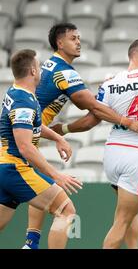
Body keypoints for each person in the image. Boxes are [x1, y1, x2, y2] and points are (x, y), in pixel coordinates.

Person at [23, 23, 138, 249]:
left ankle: (31, 243)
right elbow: (94, 109)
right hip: (22, 138)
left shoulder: (51, 66)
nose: (79, 41)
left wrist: (62, 130)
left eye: (79, 37)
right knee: (64, 209)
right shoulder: (64, 72)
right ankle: (31, 243)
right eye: (73, 38)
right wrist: (124, 119)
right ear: (59, 43)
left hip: (25, 135)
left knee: (37, 189)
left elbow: (92, 106)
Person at [59, 39, 138, 248]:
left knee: (129, 214)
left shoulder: (110, 83)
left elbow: (91, 120)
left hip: (112, 154)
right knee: (122, 221)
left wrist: (64, 129)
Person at [0, 49, 82, 248]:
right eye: (39, 66)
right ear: (33, 71)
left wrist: (56, 138)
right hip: (15, 169)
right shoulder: (23, 101)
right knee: (66, 211)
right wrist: (56, 175)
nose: (42, 71)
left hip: (6, 169)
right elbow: (25, 146)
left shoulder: (18, 92)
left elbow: (32, 126)